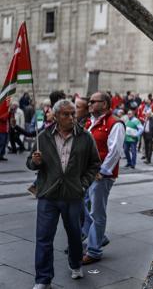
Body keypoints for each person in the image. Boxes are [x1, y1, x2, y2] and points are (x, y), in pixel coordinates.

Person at [27, 100, 100, 289]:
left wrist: (82, 185)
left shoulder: (85, 137)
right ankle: (43, 279)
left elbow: (94, 164)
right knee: (43, 238)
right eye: (66, 114)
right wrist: (35, 162)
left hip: (73, 196)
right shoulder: (43, 136)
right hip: (48, 196)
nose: (71, 118)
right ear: (57, 116)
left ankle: (75, 264)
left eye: (73, 114)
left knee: (75, 235)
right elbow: (30, 163)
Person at [82, 92, 125, 265]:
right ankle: (100, 237)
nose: (90, 104)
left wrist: (103, 171)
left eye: (94, 101)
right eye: (89, 101)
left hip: (100, 176)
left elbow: (114, 151)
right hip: (87, 174)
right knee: (81, 208)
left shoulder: (115, 124)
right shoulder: (90, 122)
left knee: (97, 213)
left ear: (105, 104)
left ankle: (94, 250)